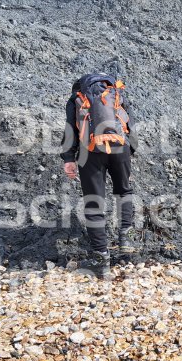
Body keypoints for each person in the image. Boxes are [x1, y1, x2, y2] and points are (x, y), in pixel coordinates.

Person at [61, 72, 138, 275]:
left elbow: (70, 130)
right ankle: (126, 239)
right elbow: (129, 122)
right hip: (119, 147)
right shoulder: (115, 92)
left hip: (90, 151)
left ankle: (101, 261)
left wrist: (68, 158)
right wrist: (130, 149)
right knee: (124, 191)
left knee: (94, 202)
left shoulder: (76, 98)